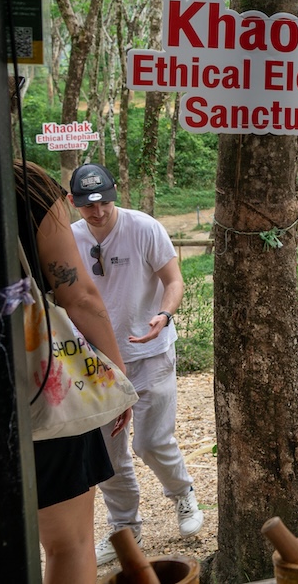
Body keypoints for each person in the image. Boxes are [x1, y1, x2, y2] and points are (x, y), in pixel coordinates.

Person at [67, 163, 203, 564]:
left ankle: (183, 495)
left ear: (114, 193)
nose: (98, 212)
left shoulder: (144, 227)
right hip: (97, 363)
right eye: (88, 206)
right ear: (75, 204)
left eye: (104, 202)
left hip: (150, 353)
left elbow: (173, 280)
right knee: (110, 453)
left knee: (151, 441)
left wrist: (164, 315)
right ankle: (125, 527)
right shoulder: (69, 239)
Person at [15, 160, 130, 584]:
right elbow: (79, 295)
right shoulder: (26, 184)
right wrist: (115, 376)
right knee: (69, 544)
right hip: (38, 391)